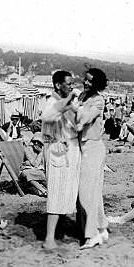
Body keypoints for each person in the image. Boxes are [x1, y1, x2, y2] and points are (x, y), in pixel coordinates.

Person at [40, 70, 81, 249]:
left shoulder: (70, 102)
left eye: (72, 84)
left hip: (72, 148)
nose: (72, 87)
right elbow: (48, 117)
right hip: (57, 148)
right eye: (69, 84)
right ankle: (49, 238)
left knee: (69, 190)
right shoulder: (51, 102)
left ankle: (64, 229)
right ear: (58, 85)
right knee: (56, 191)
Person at [74, 67, 109, 249]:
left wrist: (74, 110)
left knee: (85, 193)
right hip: (83, 148)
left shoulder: (98, 100)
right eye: (85, 79)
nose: (85, 83)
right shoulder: (81, 97)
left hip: (93, 148)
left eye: (89, 81)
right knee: (93, 192)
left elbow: (84, 119)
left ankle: (92, 234)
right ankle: (101, 228)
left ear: (97, 84)